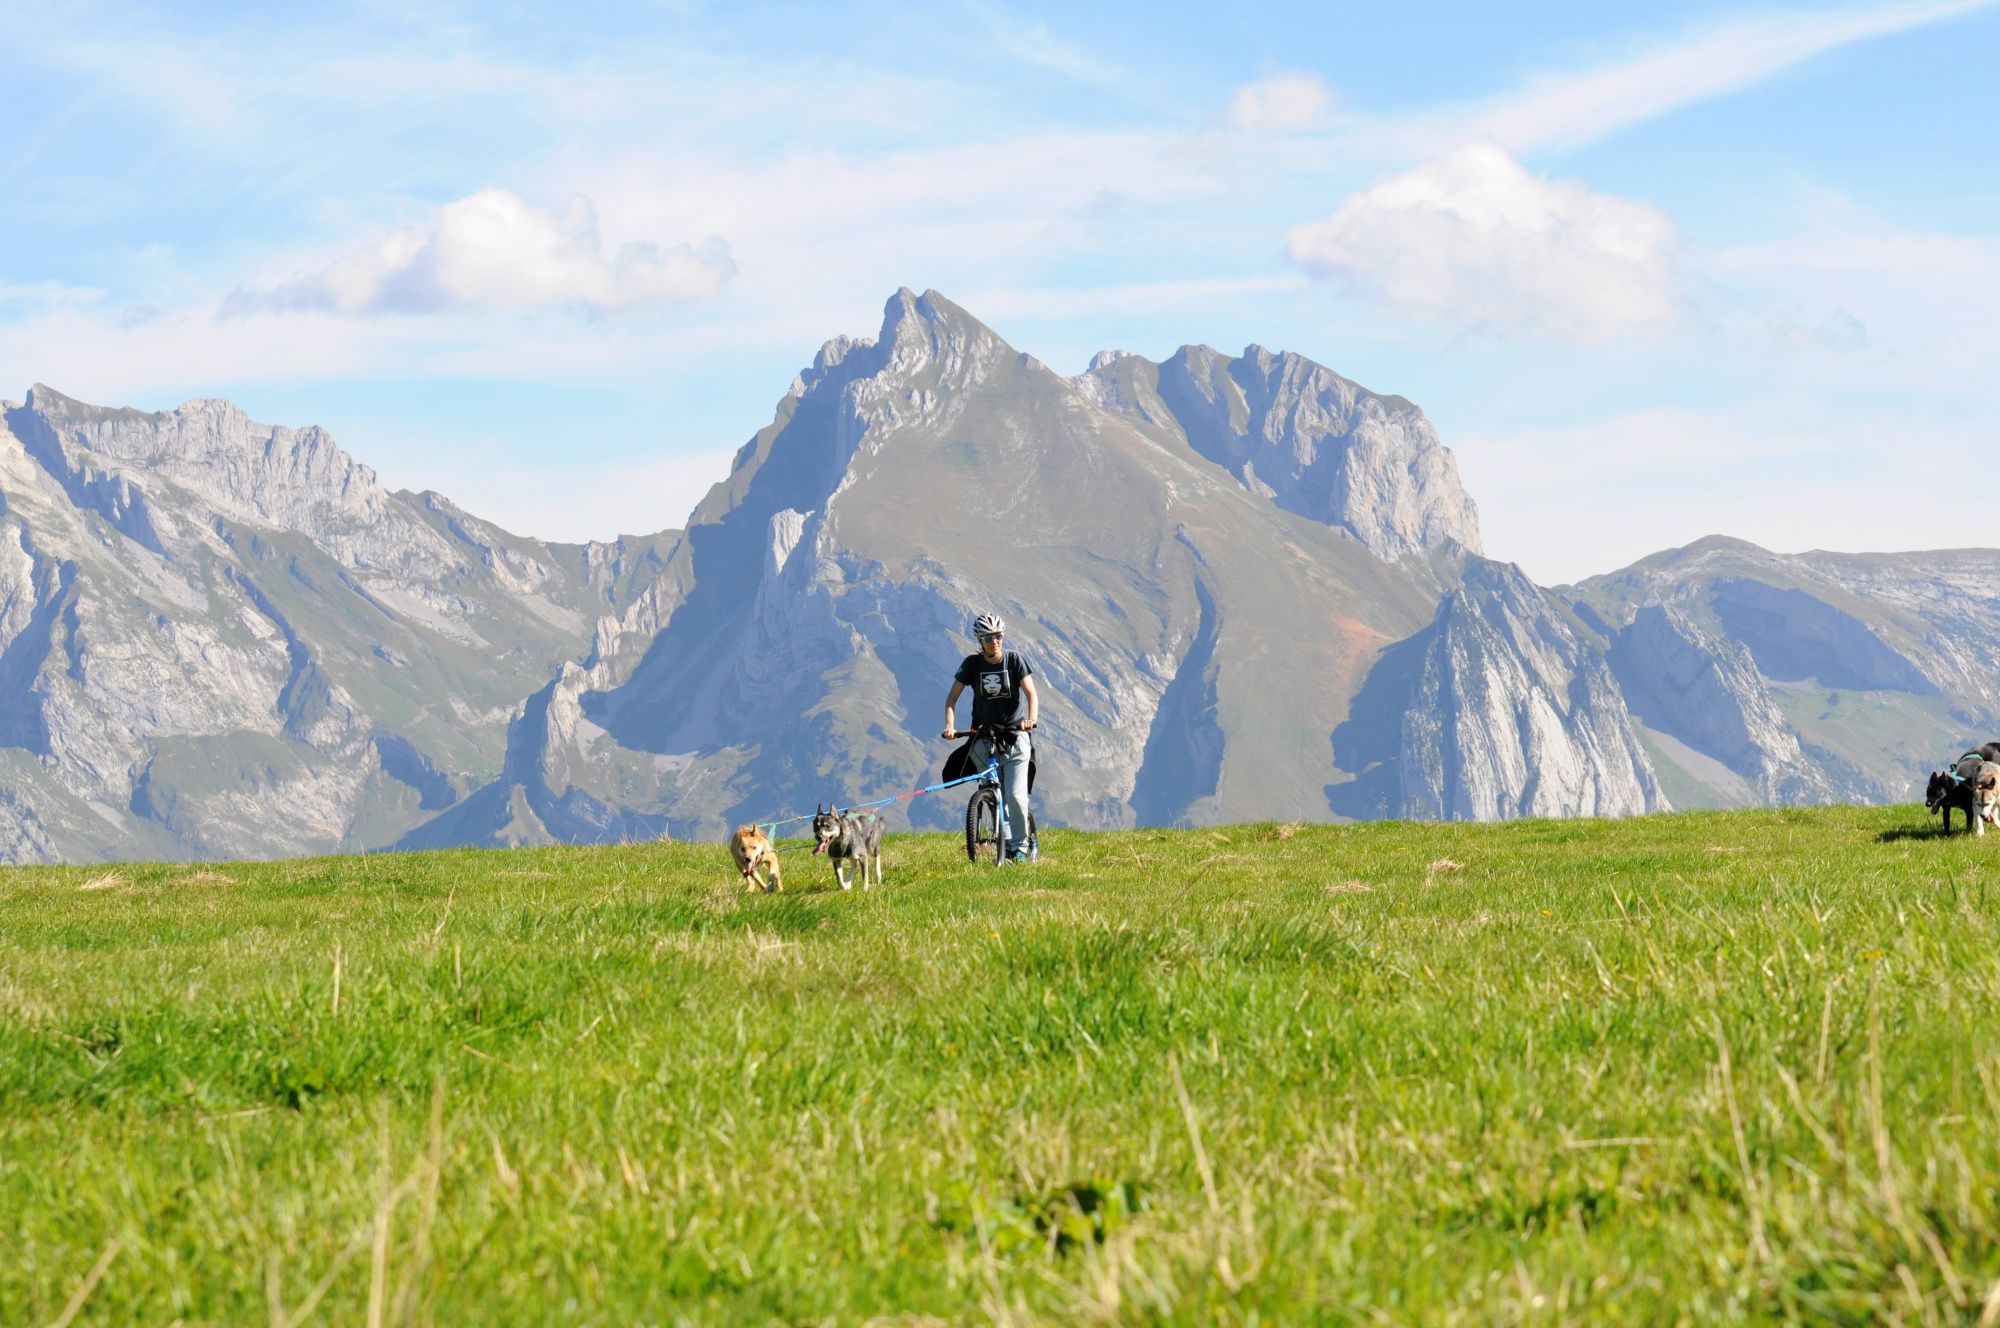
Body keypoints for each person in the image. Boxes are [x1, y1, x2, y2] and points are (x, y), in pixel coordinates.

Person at [943, 611, 1039, 863]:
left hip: (1015, 737)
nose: (993, 642)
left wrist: (1030, 719)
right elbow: (952, 699)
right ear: (979, 640)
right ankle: (1000, 840)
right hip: (983, 738)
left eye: (997, 636)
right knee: (992, 792)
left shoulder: (1015, 660)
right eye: (987, 638)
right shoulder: (971, 665)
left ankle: (1018, 848)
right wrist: (950, 726)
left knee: (1015, 795)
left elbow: (1031, 693)